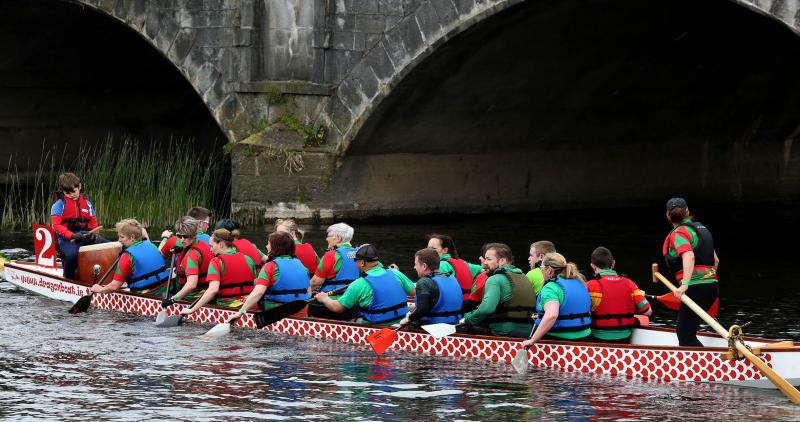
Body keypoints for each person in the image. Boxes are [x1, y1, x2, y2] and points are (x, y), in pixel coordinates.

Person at [662, 197, 720, 347]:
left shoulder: (679, 234)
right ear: (687, 212)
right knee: (688, 331)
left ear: (668, 215)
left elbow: (689, 255)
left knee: (685, 335)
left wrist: (685, 285)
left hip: (695, 287)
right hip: (711, 286)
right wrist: (707, 280)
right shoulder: (702, 230)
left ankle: (706, 367)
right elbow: (716, 261)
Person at [314, 244, 415, 326]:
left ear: (362, 263)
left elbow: (338, 307)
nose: (354, 263)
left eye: (355, 261)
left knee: (349, 320)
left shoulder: (359, 284)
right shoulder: (395, 273)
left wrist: (324, 298)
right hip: (401, 322)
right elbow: (413, 291)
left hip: (375, 326)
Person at [225, 232, 310, 324]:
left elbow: (258, 292)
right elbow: (308, 293)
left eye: (268, 244)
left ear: (275, 247)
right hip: (302, 312)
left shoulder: (270, 266)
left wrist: (241, 312)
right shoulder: (302, 266)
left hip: (274, 314)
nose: (266, 246)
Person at [459, 243, 536, 338]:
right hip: (528, 330)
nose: (485, 262)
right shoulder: (524, 277)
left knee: (463, 328)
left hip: (502, 333)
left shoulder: (495, 279)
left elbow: (486, 309)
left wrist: (467, 320)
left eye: (489, 259)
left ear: (502, 261)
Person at [521, 253, 592, 346]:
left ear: (549, 270)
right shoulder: (579, 282)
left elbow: (551, 316)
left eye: (541, 266)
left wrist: (532, 340)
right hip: (585, 338)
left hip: (559, 339)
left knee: (513, 333)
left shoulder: (551, 288)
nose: (540, 269)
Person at [180, 229, 256, 314]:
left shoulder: (216, 262)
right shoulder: (248, 259)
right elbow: (256, 286)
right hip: (250, 306)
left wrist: (192, 310)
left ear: (221, 244)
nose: (210, 250)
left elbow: (213, 290)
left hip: (227, 307)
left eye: (212, 246)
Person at [586, 247, 651, 344]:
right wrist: (642, 296)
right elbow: (648, 312)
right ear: (613, 263)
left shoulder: (590, 286)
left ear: (593, 266)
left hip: (598, 338)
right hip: (624, 338)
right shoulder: (630, 284)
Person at [90, 219, 169, 295]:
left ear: (132, 237)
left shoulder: (127, 256)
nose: (119, 240)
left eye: (122, 237)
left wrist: (100, 289)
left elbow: (115, 286)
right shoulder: (151, 245)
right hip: (166, 290)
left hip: (145, 295)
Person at [50, 172, 104, 279]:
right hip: (66, 239)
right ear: (63, 191)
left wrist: (96, 235)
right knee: (72, 255)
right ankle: (67, 278)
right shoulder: (58, 205)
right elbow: (56, 225)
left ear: (79, 186)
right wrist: (72, 235)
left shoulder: (88, 204)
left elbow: (93, 223)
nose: (72, 195)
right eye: (67, 193)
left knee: (112, 246)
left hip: (86, 235)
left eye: (74, 191)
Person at [399, 248, 462, 328]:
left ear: (424, 266)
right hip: (454, 325)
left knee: (405, 323)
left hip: (432, 329)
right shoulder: (451, 277)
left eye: (416, 264)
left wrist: (407, 319)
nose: (414, 267)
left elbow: (422, 310)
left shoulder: (424, 282)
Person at [163, 216, 214, 305]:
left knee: (163, 295)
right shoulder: (202, 244)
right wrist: (182, 250)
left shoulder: (192, 255)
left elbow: (191, 285)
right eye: (179, 236)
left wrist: (172, 300)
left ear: (194, 235)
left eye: (186, 237)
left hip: (193, 297)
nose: (182, 240)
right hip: (206, 292)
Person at [428, 234, 482, 300]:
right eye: (428, 248)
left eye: (433, 248)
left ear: (444, 250)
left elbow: (433, 288)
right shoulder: (462, 262)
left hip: (451, 303)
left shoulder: (441, 265)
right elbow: (482, 269)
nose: (429, 251)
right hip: (466, 302)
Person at [309, 222, 358, 293]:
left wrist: (299, 290)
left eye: (329, 236)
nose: (326, 239)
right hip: (354, 296)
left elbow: (315, 283)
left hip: (333, 297)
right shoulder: (359, 252)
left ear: (338, 238)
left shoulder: (331, 255)